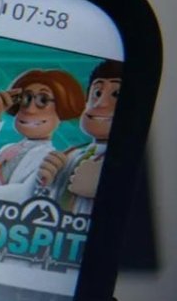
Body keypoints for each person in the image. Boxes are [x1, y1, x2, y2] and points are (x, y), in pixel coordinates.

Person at [0, 68, 87, 209]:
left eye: (43, 100)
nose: (30, 109)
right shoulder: (9, 149)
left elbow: (26, 194)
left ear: (62, 109)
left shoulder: (48, 158)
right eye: (26, 99)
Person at [37, 59, 119, 214]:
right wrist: (44, 181)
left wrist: (105, 188)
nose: (100, 104)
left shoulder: (124, 164)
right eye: (97, 93)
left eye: (116, 94)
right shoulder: (71, 155)